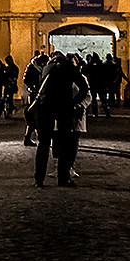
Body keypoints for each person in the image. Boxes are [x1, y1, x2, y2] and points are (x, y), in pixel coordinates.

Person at [29, 52, 90, 187]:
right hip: (64, 109)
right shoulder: (69, 68)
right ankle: (63, 179)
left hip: (45, 109)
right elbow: (84, 88)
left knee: (43, 144)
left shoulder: (47, 69)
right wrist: (74, 102)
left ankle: (39, 180)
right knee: (64, 145)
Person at [21, 51, 49, 145]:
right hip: (34, 94)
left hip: (38, 93)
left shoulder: (39, 68)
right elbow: (26, 79)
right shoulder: (33, 68)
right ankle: (35, 137)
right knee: (35, 116)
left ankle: (29, 137)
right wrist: (32, 86)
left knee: (35, 117)